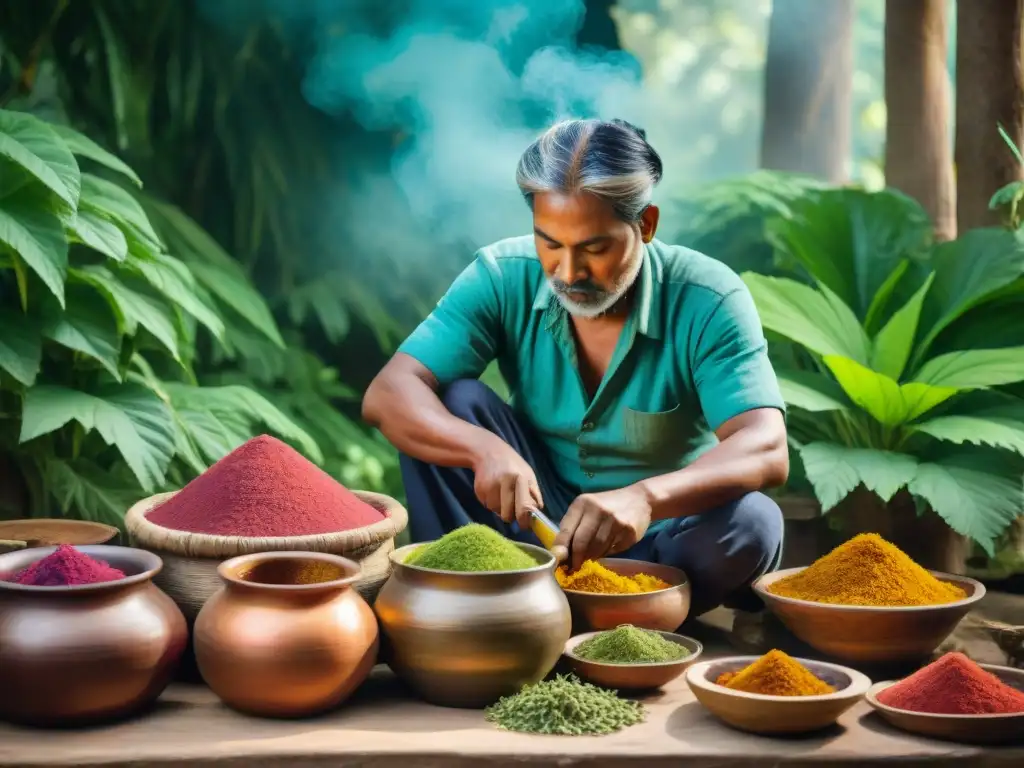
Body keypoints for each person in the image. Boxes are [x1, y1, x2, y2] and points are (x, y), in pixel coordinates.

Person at [362, 118, 788, 618]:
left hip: (659, 543)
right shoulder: (500, 276)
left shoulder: (708, 298)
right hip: (529, 528)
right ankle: (466, 603)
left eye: (594, 248)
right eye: (550, 243)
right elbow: (388, 394)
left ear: (646, 225)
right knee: (455, 404)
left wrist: (646, 499)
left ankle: (601, 614)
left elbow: (766, 447)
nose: (568, 272)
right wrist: (481, 449)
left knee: (755, 522)